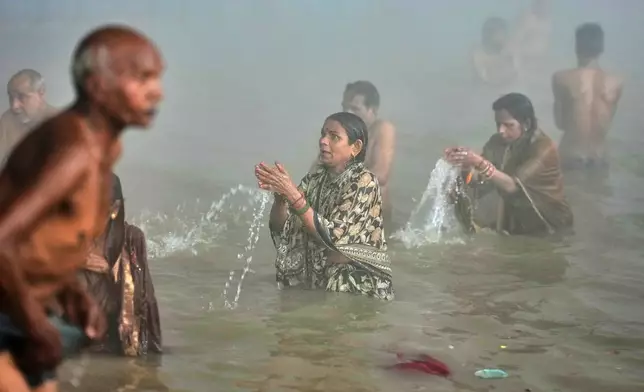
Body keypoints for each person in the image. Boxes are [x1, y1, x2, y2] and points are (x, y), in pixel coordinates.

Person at [0, 24, 164, 392]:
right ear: (99, 86)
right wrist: (36, 324)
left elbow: (42, 239)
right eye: (141, 78)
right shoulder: (75, 150)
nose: (158, 91)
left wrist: (70, 294)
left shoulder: (95, 147)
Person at [257, 112, 393, 300]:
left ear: (356, 147)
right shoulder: (315, 178)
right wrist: (281, 199)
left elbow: (334, 238)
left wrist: (293, 195)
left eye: (334, 137)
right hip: (321, 283)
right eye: (323, 134)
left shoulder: (364, 181)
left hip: (359, 290)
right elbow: (283, 229)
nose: (323, 141)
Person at [444, 93, 573, 236]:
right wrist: (466, 165)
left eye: (508, 125)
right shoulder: (497, 142)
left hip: (550, 226)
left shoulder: (544, 148)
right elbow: (480, 180)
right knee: (457, 188)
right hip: (514, 224)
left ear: (526, 124)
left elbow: (512, 186)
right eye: (498, 124)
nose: (501, 131)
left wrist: (479, 162)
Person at [79, 173, 162, 357]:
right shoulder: (71, 240)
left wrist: (153, 353)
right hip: (75, 341)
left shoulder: (132, 239)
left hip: (113, 345)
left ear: (114, 208)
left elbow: (146, 299)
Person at [552, 23, 624, 170]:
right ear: (601, 48)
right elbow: (606, 123)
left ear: (577, 47)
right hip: (600, 157)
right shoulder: (616, 82)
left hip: (572, 155)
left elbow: (560, 123)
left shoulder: (561, 78)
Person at [0, 69, 57, 161]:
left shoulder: (61, 123)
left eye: (22, 97)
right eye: (11, 97)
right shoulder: (7, 119)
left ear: (41, 94)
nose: (14, 106)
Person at [472, 17, 519, 87]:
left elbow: (518, 71)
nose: (504, 37)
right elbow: (483, 79)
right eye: (500, 34)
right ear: (490, 35)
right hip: (487, 90)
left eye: (504, 33)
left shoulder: (510, 50)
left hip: (509, 87)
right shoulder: (479, 54)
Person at [511, 0, 551, 71]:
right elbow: (515, 42)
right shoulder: (527, 18)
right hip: (526, 60)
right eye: (544, 3)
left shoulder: (547, 20)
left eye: (548, 3)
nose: (547, 6)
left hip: (540, 60)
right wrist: (516, 66)